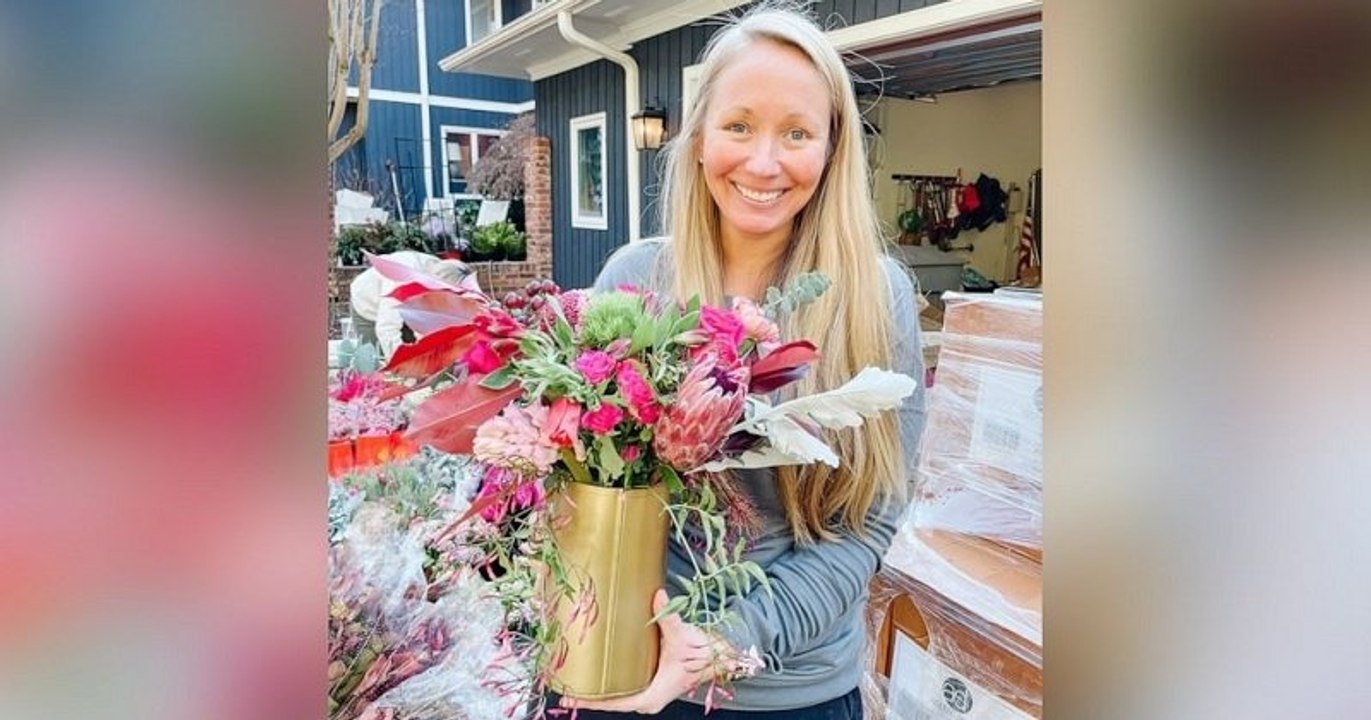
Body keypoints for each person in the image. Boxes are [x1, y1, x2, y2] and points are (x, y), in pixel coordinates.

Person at [570, 4, 927, 719]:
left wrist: (716, 640)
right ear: (699, 137)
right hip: (621, 672)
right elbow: (574, 491)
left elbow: (868, 525)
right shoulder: (633, 283)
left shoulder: (870, 299)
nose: (763, 163)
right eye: (738, 126)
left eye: (796, 133)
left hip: (790, 693)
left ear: (830, 151)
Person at [347, 250, 475, 359]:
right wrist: (402, 367)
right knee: (374, 364)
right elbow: (387, 328)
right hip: (368, 306)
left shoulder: (445, 270)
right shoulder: (401, 278)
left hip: (407, 306)